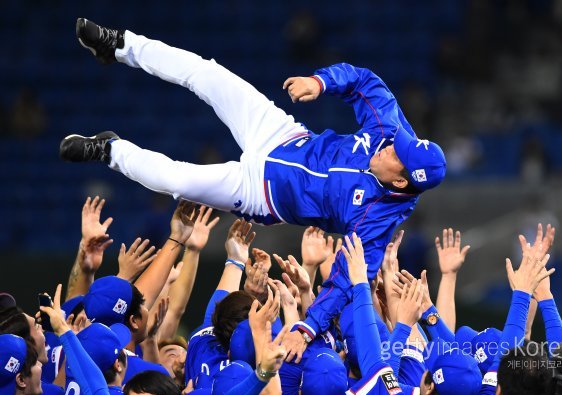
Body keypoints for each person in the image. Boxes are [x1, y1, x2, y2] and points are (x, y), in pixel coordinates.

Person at [60, 17, 446, 359]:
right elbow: (365, 81)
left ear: (401, 181)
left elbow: (346, 279)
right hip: (285, 135)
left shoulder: (377, 220)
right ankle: (120, 44)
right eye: (403, 144)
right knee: (207, 74)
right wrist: (321, 81)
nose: (395, 146)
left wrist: (308, 327)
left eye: (401, 156)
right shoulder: (391, 131)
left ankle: (109, 149)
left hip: (262, 193)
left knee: (177, 181)